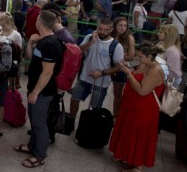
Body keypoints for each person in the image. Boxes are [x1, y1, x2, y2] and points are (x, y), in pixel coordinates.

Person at [13, 10, 64, 168]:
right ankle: (32, 145)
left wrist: (35, 92)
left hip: (43, 91)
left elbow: (48, 72)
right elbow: (30, 59)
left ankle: (40, 154)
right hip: (35, 87)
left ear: (40, 22)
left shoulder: (50, 44)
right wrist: (30, 43)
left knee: (39, 123)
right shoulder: (43, 41)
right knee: (34, 120)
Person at [109, 43, 165, 172]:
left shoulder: (155, 70)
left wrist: (128, 74)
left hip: (144, 109)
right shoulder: (145, 64)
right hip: (132, 106)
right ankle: (125, 155)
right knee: (127, 129)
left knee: (138, 135)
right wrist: (128, 67)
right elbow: (137, 74)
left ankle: (137, 166)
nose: (138, 59)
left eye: (140, 57)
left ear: (150, 56)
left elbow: (142, 91)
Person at [69, 18, 124, 119]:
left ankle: (91, 128)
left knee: (95, 107)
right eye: (100, 29)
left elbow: (119, 67)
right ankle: (70, 121)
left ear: (111, 29)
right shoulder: (90, 37)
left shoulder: (116, 46)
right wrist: (91, 42)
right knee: (74, 99)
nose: (102, 32)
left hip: (101, 82)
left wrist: (101, 73)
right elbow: (79, 51)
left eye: (106, 30)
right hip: (84, 78)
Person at [110, 17, 135, 118]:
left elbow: (131, 56)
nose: (123, 28)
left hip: (121, 68)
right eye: (120, 25)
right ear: (115, 26)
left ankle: (116, 115)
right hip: (106, 66)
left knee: (118, 93)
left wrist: (116, 54)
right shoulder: (110, 36)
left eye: (125, 25)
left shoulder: (129, 38)